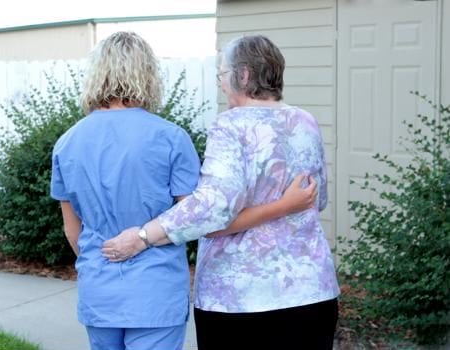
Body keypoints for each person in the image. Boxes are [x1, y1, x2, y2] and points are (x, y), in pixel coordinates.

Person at [50, 31, 319, 350]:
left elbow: (72, 230)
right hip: (156, 292)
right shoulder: (170, 138)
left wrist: (97, 263)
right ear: (147, 75)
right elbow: (198, 216)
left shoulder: (66, 143)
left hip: (99, 291)